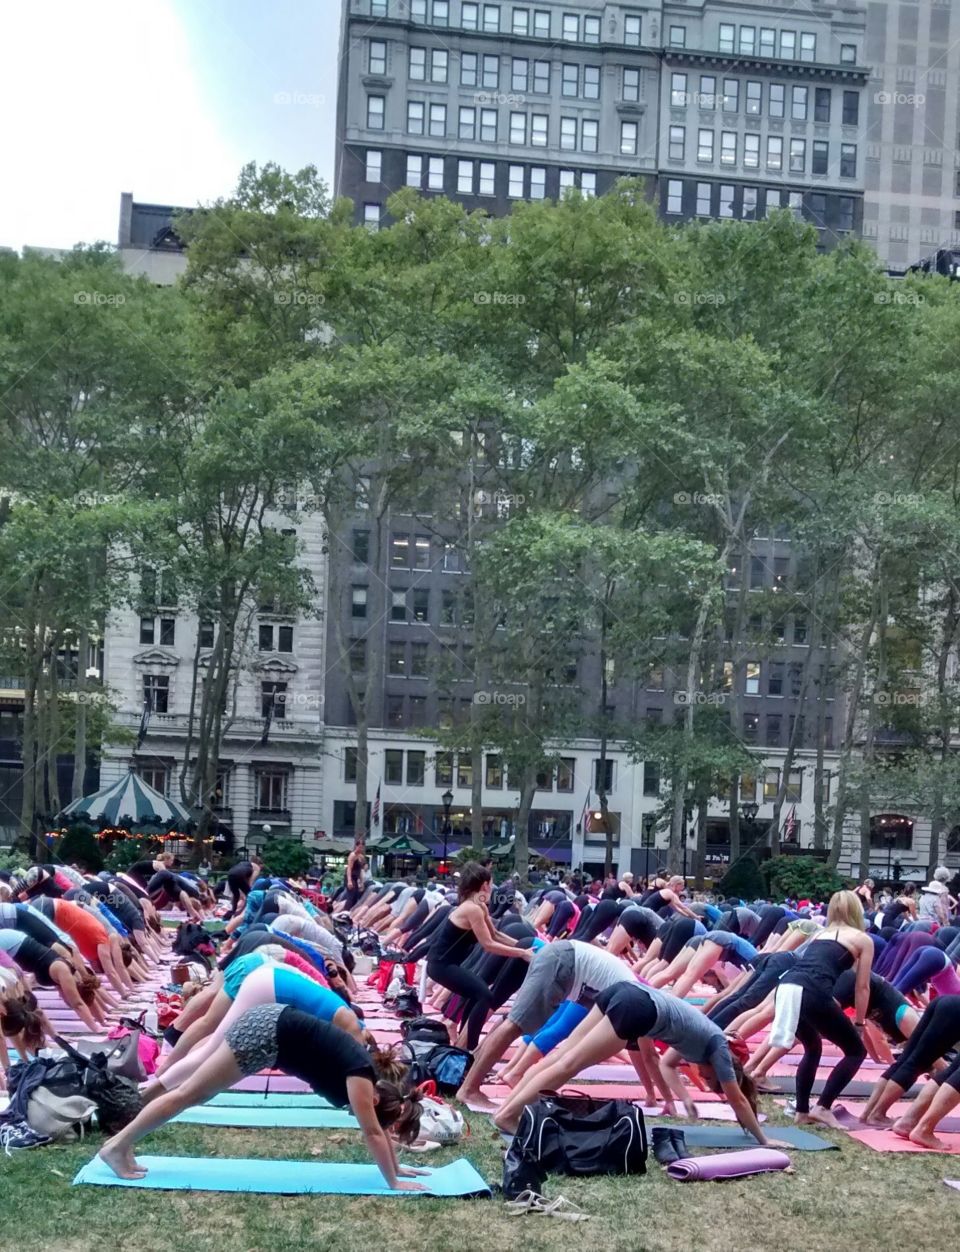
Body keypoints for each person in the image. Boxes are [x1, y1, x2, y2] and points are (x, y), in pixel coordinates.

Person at [98, 1007, 426, 1188]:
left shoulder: (372, 1089)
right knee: (189, 1095)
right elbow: (372, 1132)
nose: (361, 1116)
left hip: (270, 1030)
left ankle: (122, 1145)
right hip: (265, 1034)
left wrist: (398, 1169)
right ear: (377, 1101)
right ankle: (116, 1146)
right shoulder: (361, 1078)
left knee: (193, 1095)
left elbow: (376, 1126)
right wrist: (393, 1184)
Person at [492, 981, 774, 1146]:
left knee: (561, 1056)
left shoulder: (703, 1044)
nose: (704, 1078)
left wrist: (685, 1098)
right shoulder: (718, 1049)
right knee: (568, 1064)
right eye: (712, 1081)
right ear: (723, 1070)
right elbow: (736, 1099)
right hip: (636, 1008)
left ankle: (508, 1110)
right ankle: (508, 1116)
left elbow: (666, 1065)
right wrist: (764, 1140)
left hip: (625, 992)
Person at [455, 939, 638, 1111]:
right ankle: (469, 1089)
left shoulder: (632, 996)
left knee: (515, 1023)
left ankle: (468, 1078)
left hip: (562, 959)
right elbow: (647, 1056)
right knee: (514, 1025)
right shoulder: (638, 1003)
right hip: (562, 961)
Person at [745, 890, 872, 1129]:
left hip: (788, 985)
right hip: (810, 990)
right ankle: (822, 1107)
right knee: (856, 1051)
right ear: (857, 910)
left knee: (812, 1047)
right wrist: (860, 1023)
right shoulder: (861, 939)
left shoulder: (820, 934)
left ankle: (802, 1111)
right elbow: (862, 987)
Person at [427, 863, 531, 1050]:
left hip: (449, 964)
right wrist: (522, 953)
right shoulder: (471, 908)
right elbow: (488, 945)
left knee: (479, 995)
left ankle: (463, 1046)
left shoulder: (480, 905)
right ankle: (471, 1051)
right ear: (484, 885)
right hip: (440, 965)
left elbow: (496, 935)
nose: (492, 888)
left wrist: (522, 945)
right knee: (484, 995)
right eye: (491, 884)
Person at [859, 996, 960, 1131]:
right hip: (951, 1010)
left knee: (909, 1060)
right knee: (917, 1063)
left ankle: (870, 1113)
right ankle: (879, 1114)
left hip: (944, 1002)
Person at [344, 837, 367, 911]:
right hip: (350, 877)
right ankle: (344, 913)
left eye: (362, 847)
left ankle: (349, 913)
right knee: (350, 897)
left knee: (355, 897)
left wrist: (362, 882)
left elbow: (360, 870)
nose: (361, 849)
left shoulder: (361, 857)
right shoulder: (352, 855)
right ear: (356, 846)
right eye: (359, 847)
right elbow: (349, 868)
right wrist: (349, 881)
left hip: (356, 878)